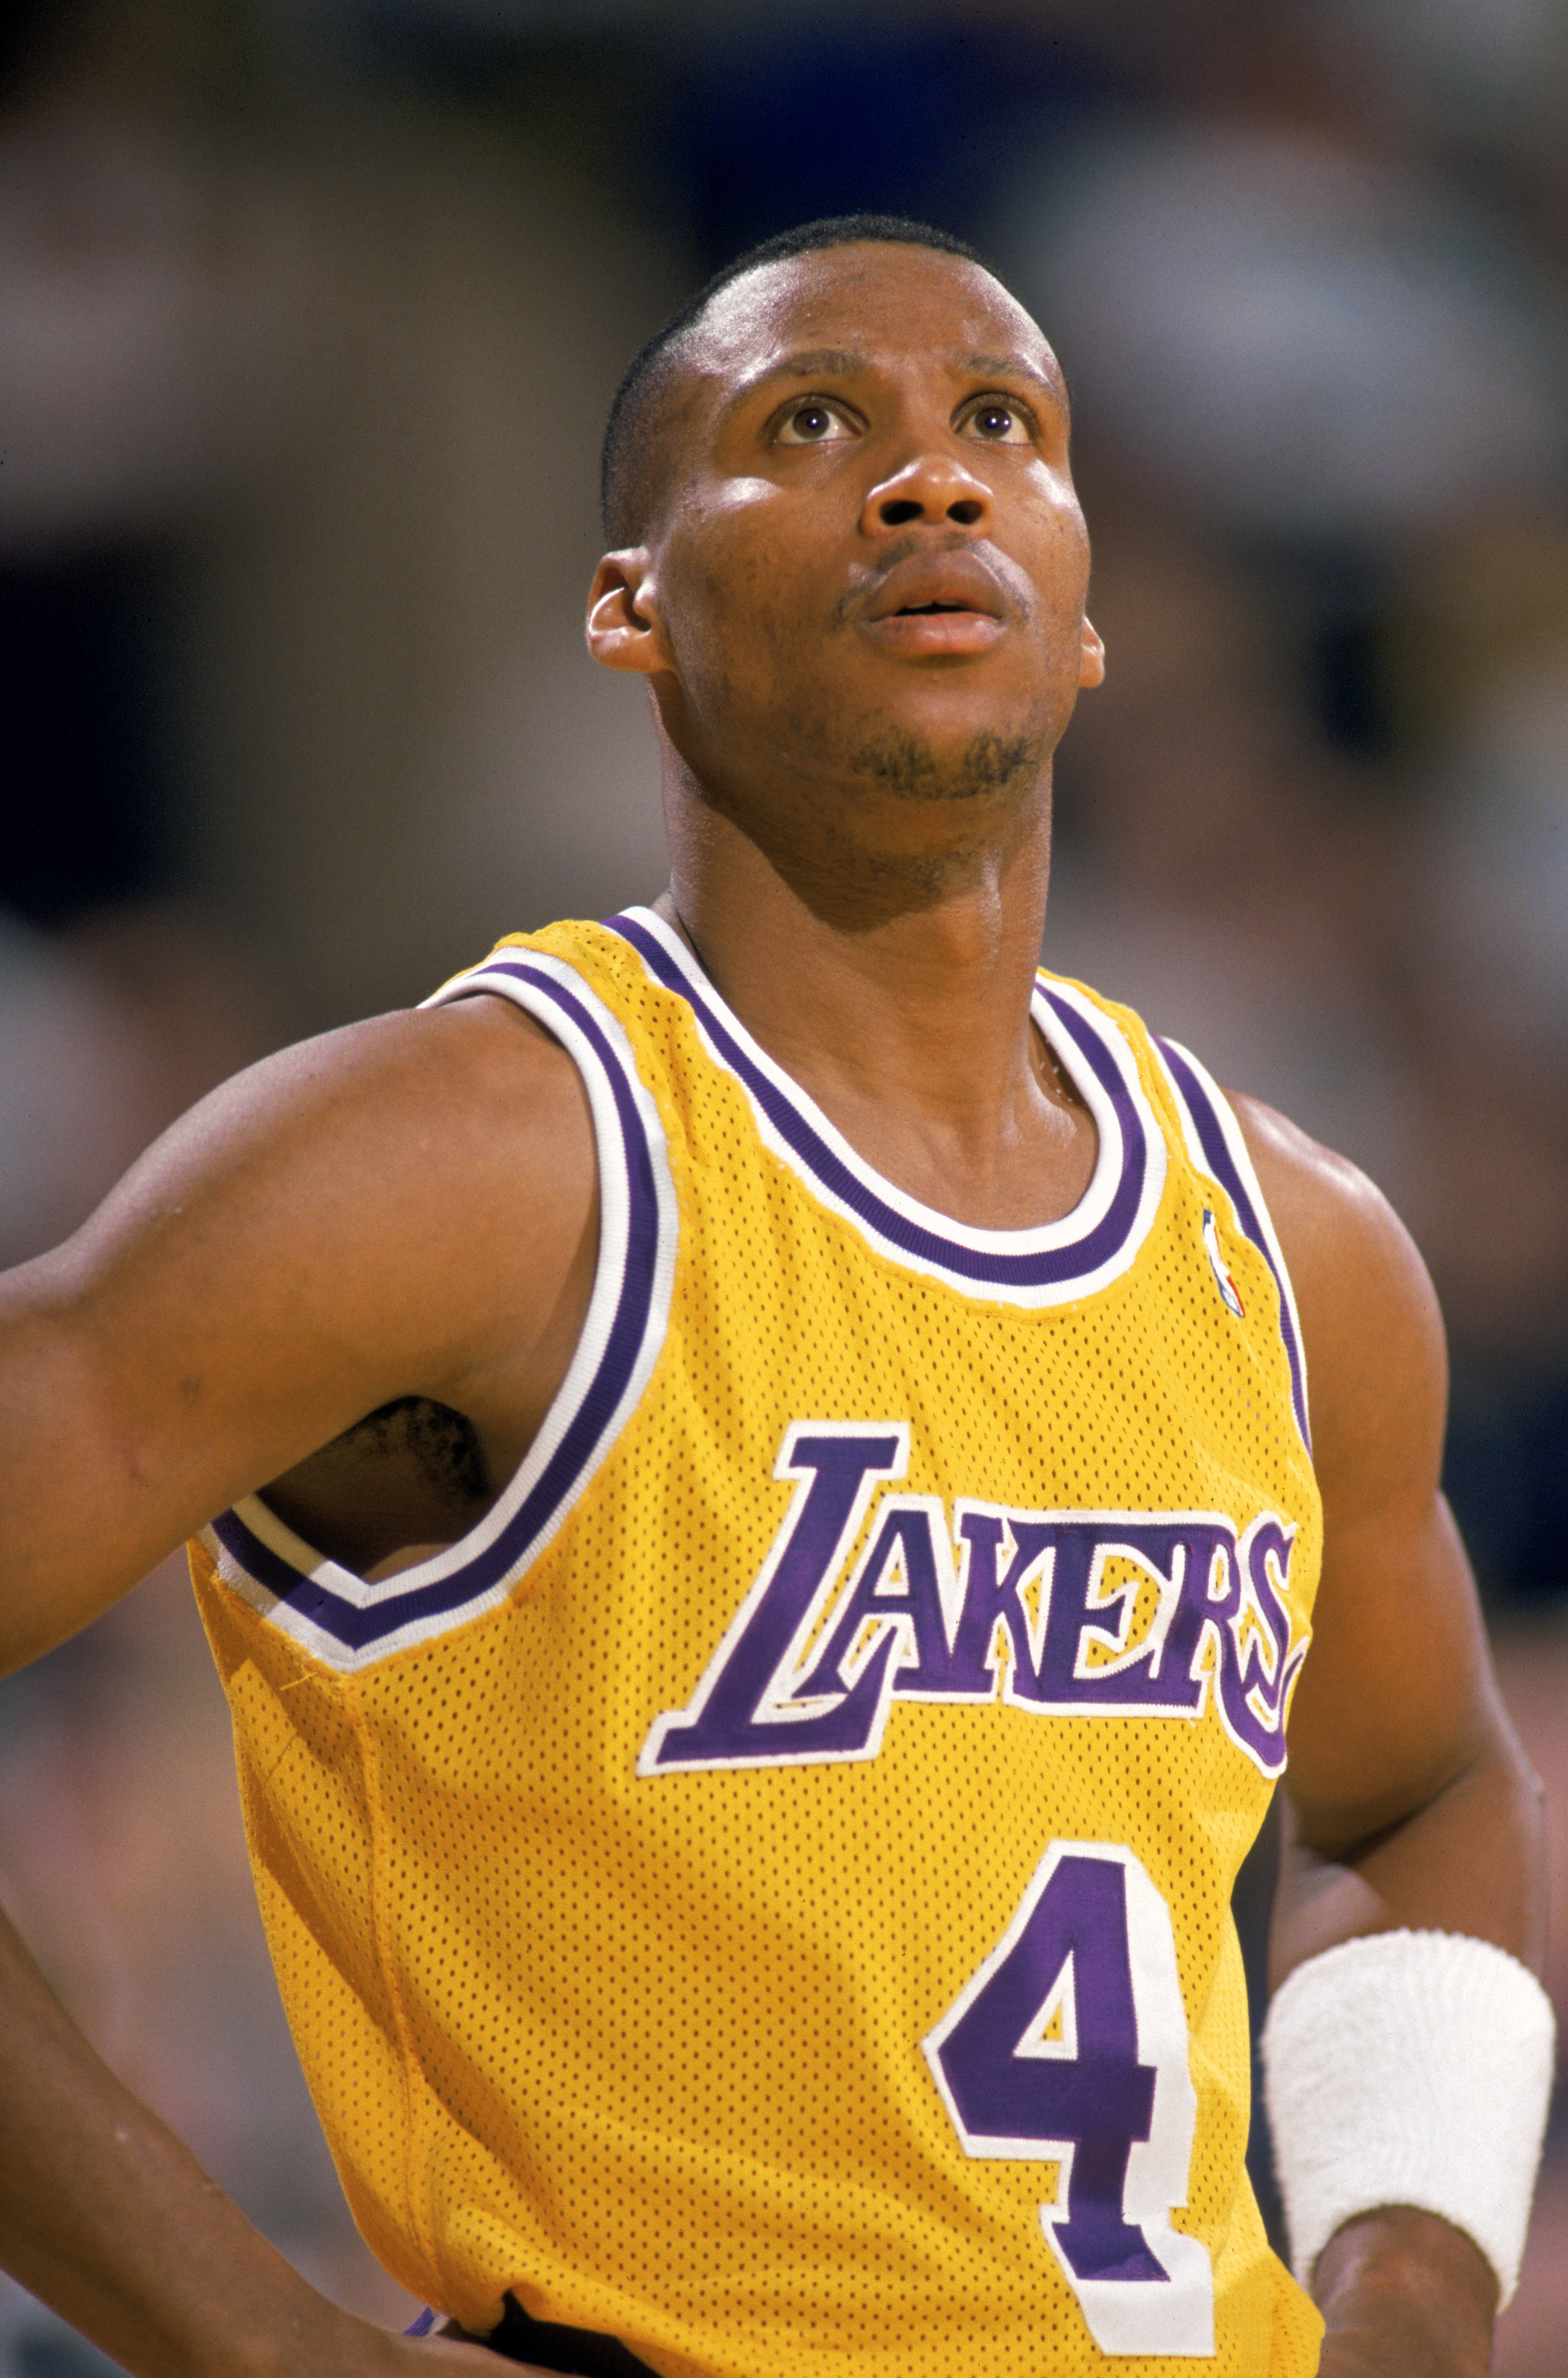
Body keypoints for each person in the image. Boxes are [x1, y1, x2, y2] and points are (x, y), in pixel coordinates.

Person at [0, 215, 1554, 2378]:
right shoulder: (468, 1160)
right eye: (811, 422)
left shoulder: (1293, 1242)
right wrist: (247, 2339)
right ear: (628, 608)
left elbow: (1419, 1797)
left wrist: (1405, 2290)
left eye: (999, 423)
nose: (932, 478)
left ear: (1088, 609)